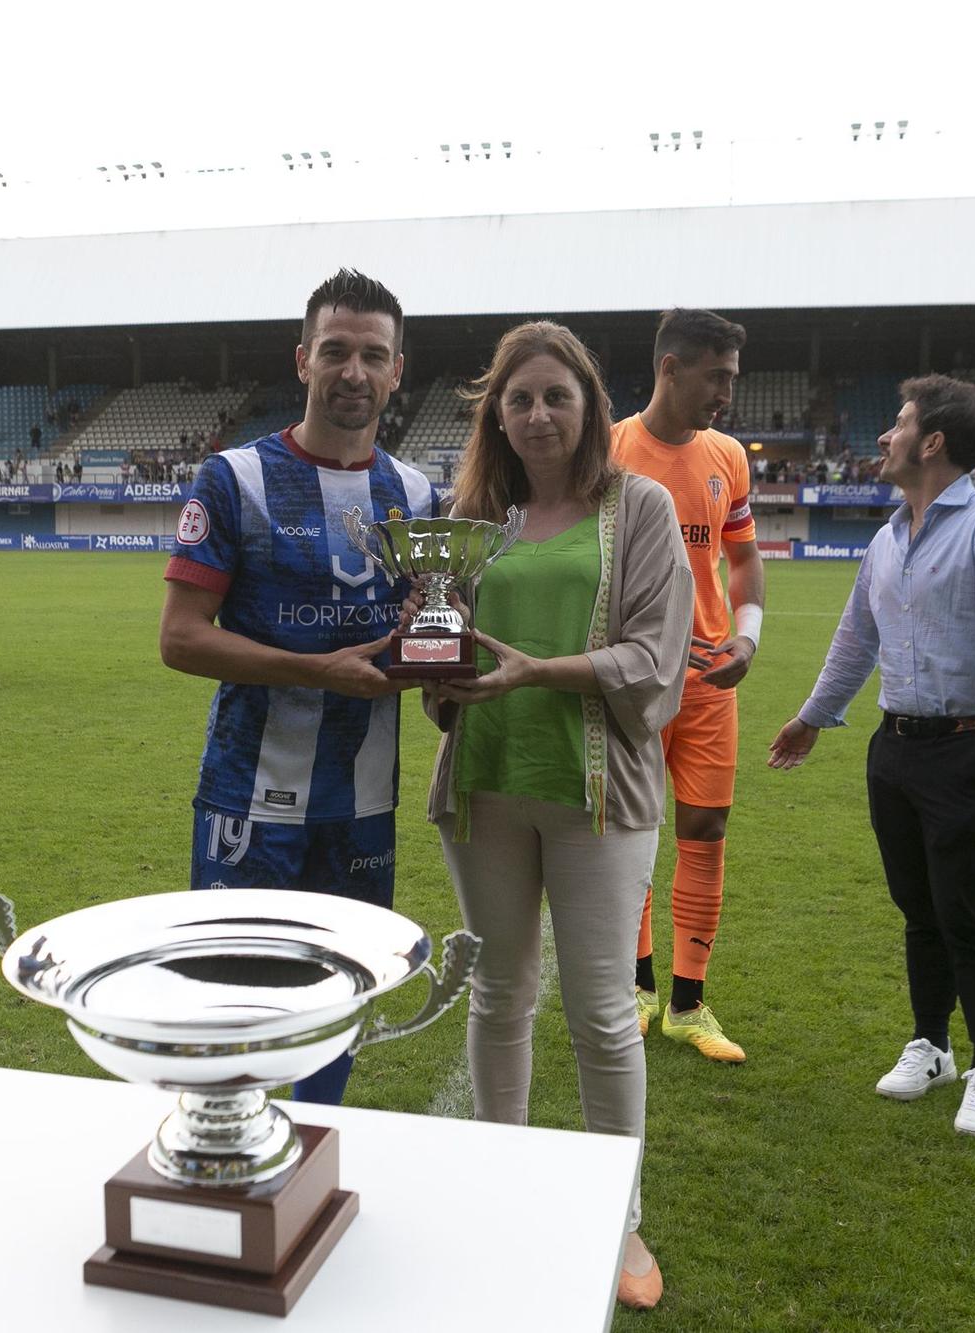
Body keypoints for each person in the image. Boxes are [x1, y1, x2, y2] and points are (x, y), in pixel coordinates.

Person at [425, 322, 691, 1311]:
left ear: (588, 406)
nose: (536, 414)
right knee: (497, 997)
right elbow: (441, 656)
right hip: (485, 785)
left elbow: (656, 662)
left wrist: (547, 671)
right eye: (518, 399)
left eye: (556, 396)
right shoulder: (471, 516)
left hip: (595, 797)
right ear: (496, 413)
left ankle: (618, 1217)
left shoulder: (641, 508)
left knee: (601, 1019)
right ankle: (503, 1189)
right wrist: (437, 677)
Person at [157, 268, 434, 1107]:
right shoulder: (234, 479)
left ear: (396, 372)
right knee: (237, 1006)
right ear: (304, 358)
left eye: (373, 355)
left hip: (361, 804)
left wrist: (442, 659)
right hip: (248, 800)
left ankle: (301, 1160)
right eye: (337, 350)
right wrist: (315, 669)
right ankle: (229, 1162)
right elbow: (181, 639)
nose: (355, 370)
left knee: (338, 1002)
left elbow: (419, 639)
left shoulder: (418, 494)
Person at [768, 375, 975, 1142]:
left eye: (898, 424)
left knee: (966, 913)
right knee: (917, 910)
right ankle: (933, 1045)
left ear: (933, 441)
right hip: (893, 749)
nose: (885, 437)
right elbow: (855, 638)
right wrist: (812, 718)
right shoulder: (888, 534)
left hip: (968, 750)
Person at [612, 309, 765, 1063]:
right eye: (718, 376)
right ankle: (637, 986)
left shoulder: (728, 456)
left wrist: (748, 635)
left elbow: (743, 559)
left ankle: (687, 1003)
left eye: (731, 378)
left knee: (704, 830)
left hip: (708, 675)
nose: (727, 393)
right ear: (670, 368)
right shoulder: (608, 449)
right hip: (633, 676)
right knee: (631, 830)